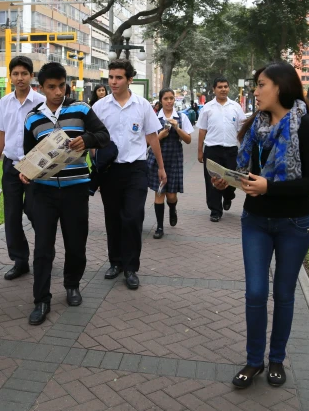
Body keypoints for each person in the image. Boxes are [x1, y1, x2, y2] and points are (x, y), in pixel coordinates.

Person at [211, 62, 309, 390]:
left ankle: (276, 359)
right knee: (256, 292)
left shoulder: (307, 127)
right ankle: (253, 361)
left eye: (261, 85)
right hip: (256, 221)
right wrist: (227, 181)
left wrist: (269, 187)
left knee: (284, 294)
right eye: (256, 85)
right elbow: (246, 171)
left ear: (280, 87)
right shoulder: (254, 126)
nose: (256, 91)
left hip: (294, 223)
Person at [19, 63, 110, 325]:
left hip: (76, 190)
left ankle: (72, 285)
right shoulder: (32, 118)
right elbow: (29, 156)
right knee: (43, 248)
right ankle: (41, 300)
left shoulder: (81, 110)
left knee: (75, 243)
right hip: (44, 192)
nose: (58, 91)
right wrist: (25, 172)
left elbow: (104, 136)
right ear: (41, 88)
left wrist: (88, 140)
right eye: (51, 87)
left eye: (62, 85)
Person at [92, 59, 166, 290]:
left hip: (136, 169)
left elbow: (153, 137)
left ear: (129, 79)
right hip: (110, 171)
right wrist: (97, 166)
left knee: (133, 217)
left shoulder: (142, 105)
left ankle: (131, 267)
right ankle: (115, 262)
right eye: (111, 77)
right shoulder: (100, 107)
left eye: (119, 77)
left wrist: (161, 167)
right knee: (113, 218)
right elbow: (92, 140)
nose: (113, 82)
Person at [0, 56, 46, 281]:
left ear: (31, 75)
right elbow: (1, 135)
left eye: (24, 73)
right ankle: (20, 260)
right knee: (11, 215)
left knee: (34, 211)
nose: (20, 78)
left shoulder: (41, 101)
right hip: (10, 165)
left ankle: (43, 254)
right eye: (15, 74)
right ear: (10, 76)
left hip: (34, 166)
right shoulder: (4, 102)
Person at [196, 77, 246, 222]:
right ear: (214, 89)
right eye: (220, 87)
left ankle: (228, 196)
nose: (223, 89)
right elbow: (202, 131)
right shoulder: (207, 108)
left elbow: (241, 130)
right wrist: (200, 151)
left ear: (229, 88)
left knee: (231, 180)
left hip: (231, 150)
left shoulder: (236, 107)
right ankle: (215, 210)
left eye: (225, 86)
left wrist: (244, 151)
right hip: (212, 150)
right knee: (212, 181)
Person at [147, 88, 193, 239]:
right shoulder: (153, 118)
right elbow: (147, 142)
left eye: (171, 98)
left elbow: (188, 140)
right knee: (159, 193)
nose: (169, 101)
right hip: (157, 159)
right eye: (166, 98)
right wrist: (160, 135)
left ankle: (172, 208)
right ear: (161, 100)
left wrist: (177, 128)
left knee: (171, 195)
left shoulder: (181, 117)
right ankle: (160, 227)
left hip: (174, 159)